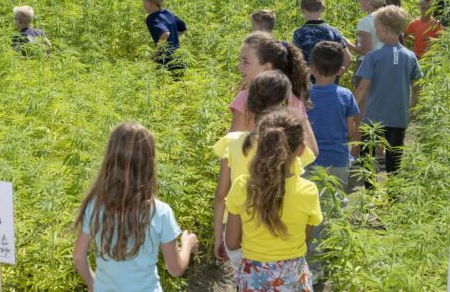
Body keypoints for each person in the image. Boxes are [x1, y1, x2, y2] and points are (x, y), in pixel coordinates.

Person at [73, 122, 198, 291]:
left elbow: (79, 257)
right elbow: (175, 269)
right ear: (149, 163)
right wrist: (187, 244)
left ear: (110, 159)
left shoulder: (95, 205)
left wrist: (94, 285)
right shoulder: (160, 212)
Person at [213, 71, 318, 271]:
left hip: (240, 228)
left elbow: (221, 196)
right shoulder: (292, 145)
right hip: (284, 240)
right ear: (285, 105)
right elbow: (311, 154)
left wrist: (219, 236)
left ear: (249, 105)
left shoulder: (233, 142)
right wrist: (300, 115)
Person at [225, 111, 322, 291]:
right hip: (293, 276)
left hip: (252, 274)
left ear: (259, 144)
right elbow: (305, 240)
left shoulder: (242, 186)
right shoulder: (309, 191)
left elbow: (231, 242)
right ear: (300, 149)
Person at [354, 6, 422, 181]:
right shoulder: (410, 56)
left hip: (373, 118)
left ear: (383, 29)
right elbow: (417, 86)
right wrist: (412, 110)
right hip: (399, 118)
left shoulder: (373, 57)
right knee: (394, 161)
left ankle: (370, 195)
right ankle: (392, 197)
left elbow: (362, 88)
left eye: (376, 27)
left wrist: (351, 112)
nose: (376, 31)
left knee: (367, 159)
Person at [230, 31, 311, 132]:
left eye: (246, 61)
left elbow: (231, 143)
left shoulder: (245, 98)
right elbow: (311, 147)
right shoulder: (292, 100)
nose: (239, 67)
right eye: (240, 60)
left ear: (267, 68)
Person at [306, 41, 359, 188]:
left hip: (309, 159)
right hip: (338, 159)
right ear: (341, 70)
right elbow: (350, 132)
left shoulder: (304, 95)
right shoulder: (346, 95)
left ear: (311, 68)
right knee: (336, 201)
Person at [292, 0, 352, 85]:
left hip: (308, 86)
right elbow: (348, 58)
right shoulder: (334, 32)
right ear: (323, 8)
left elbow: (296, 61)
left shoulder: (299, 33)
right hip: (331, 85)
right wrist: (335, 75)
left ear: (302, 9)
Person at [343, 0, 386, 89]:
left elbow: (366, 51)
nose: (358, 1)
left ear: (369, 0)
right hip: (386, 63)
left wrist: (348, 44)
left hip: (366, 64)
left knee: (362, 101)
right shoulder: (391, 17)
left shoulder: (366, 21)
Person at [142, 0, 187, 73]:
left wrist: (157, 52)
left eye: (144, 2)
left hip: (166, 61)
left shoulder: (151, 19)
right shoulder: (168, 13)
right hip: (178, 58)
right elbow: (183, 28)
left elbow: (165, 33)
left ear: (150, 3)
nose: (143, 4)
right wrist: (173, 39)